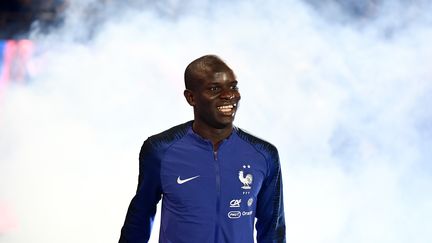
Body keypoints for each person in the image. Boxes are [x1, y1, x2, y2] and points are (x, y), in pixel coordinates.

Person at [119, 55, 285, 243]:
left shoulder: (263, 155)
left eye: (233, 86)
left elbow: (273, 229)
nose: (229, 95)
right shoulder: (160, 150)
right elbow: (140, 218)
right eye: (214, 88)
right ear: (191, 97)